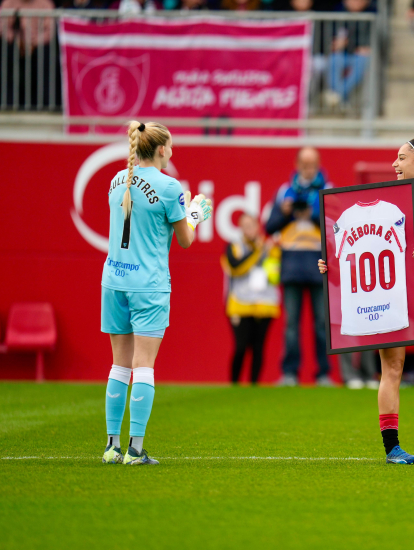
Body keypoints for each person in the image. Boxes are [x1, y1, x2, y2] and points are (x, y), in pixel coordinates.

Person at [319, 136, 414, 464]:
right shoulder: (385, 201)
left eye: (401, 158)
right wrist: (332, 261)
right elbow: (360, 250)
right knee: (393, 368)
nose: (394, 165)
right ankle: (393, 450)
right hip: (390, 297)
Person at [101, 121, 213, 466]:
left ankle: (111, 447)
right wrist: (195, 214)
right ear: (161, 149)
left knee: (119, 365)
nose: (173, 151)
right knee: (143, 366)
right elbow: (184, 239)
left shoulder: (117, 180)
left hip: (114, 279)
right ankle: (136, 450)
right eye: (171, 146)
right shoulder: (169, 186)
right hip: (148, 285)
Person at [266, 147, 334, 387]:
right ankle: (290, 373)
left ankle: (324, 374)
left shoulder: (327, 188)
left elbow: (335, 226)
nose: (308, 168)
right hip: (292, 264)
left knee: (322, 324)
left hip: (319, 263)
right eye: (304, 164)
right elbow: (269, 226)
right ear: (296, 164)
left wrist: (313, 213)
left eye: (312, 164)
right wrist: (286, 212)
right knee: (291, 325)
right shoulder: (285, 191)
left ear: (318, 164)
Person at [222, 214, 281, 385]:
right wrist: (258, 251)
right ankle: (234, 384)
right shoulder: (234, 246)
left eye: (252, 225)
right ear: (240, 228)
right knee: (241, 346)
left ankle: (254, 385)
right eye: (245, 226)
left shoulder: (270, 247)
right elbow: (236, 268)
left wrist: (272, 253)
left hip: (265, 303)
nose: (249, 229)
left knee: (258, 347)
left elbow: (277, 273)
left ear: (258, 227)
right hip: (240, 303)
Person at [325, 0, 373, 107]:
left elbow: (372, 44)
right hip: (342, 54)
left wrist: (366, 48)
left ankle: (338, 95)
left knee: (362, 61)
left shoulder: (373, 15)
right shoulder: (338, 14)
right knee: (334, 59)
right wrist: (336, 44)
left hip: (360, 56)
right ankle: (341, 97)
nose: (356, 2)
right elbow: (331, 42)